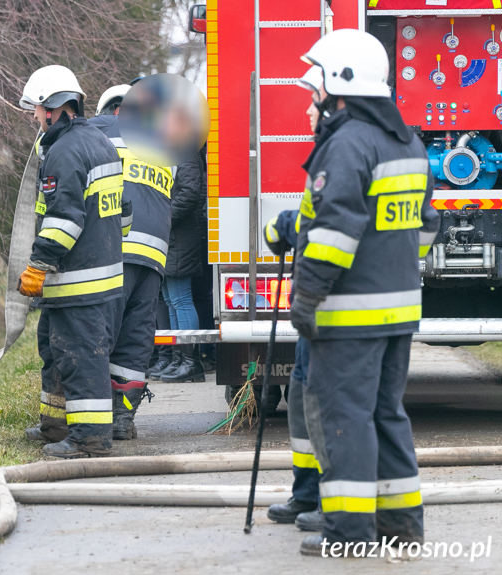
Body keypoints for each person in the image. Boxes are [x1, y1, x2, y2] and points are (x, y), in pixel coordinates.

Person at [289, 29, 439, 555]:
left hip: (348, 317)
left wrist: (306, 296)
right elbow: (422, 230)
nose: (315, 99)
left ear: (339, 81)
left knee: (345, 420)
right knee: (387, 415)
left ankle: (350, 534)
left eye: (318, 87)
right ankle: (401, 525)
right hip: (399, 313)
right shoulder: (408, 142)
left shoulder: (348, 142)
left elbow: (334, 233)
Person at [17, 65, 128, 458]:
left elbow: (64, 220)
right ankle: (56, 426)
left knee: (81, 359)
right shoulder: (101, 142)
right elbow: (123, 212)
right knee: (56, 350)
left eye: (36, 109)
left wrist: (38, 265)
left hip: (78, 283)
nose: (33, 117)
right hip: (104, 278)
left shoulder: (64, 152)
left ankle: (90, 439)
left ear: (53, 107)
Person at [90, 84, 172, 440]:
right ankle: (123, 419)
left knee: (95, 334)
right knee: (135, 339)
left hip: (114, 248)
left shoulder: (99, 129)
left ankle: (88, 421)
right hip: (153, 257)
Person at [265, 66, 326, 533]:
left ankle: (336, 504)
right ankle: (306, 494)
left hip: (336, 311)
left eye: (314, 98)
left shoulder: (346, 152)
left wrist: (293, 229)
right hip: (317, 309)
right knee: (303, 400)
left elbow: (338, 231)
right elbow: (318, 220)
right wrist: (291, 225)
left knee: (330, 407)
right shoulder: (330, 150)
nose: (307, 109)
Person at [156, 144, 207, 383]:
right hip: (171, 236)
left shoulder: (184, 153)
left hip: (181, 235)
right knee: (170, 299)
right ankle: (179, 360)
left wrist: (162, 220)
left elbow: (189, 194)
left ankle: (190, 362)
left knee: (180, 299)